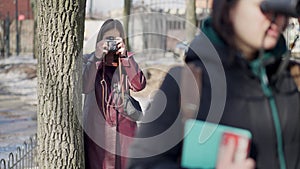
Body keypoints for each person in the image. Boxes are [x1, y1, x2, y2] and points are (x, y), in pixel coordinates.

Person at [127, 0, 300, 169]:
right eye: (266, 6)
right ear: (229, 8)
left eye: (282, 7)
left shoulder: (293, 80)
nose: (277, 18)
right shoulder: (187, 84)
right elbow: (142, 164)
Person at [82, 19, 146, 169]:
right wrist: (97, 57)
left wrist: (125, 57)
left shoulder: (126, 62)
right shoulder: (89, 60)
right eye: (108, 38)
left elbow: (139, 85)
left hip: (124, 131)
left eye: (115, 39)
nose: (111, 44)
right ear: (100, 39)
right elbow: (85, 86)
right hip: (97, 132)